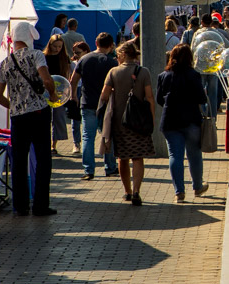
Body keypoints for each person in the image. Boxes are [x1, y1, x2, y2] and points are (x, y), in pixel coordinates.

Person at [0, 21, 58, 216]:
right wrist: (53, 95)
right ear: (29, 37)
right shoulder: (36, 55)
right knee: (43, 160)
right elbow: (47, 80)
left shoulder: (5, 63)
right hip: (38, 114)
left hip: (18, 118)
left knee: (19, 161)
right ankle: (40, 205)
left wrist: (14, 106)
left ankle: (20, 206)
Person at [99, 42, 155, 207]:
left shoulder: (113, 72)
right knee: (138, 157)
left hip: (119, 122)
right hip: (139, 121)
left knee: (122, 158)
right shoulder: (143, 71)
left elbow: (104, 95)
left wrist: (115, 93)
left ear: (123, 55)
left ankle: (127, 192)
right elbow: (149, 97)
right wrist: (151, 118)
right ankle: (137, 191)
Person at [155, 43, 209, 202]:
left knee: (175, 155)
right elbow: (201, 98)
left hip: (170, 121)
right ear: (190, 58)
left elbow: (159, 99)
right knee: (194, 155)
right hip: (191, 120)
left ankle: (179, 192)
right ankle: (198, 187)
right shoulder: (194, 75)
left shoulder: (163, 76)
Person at [72, 32, 119, 179]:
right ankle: (110, 167)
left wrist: (74, 96)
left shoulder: (84, 59)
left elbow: (73, 79)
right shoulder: (112, 62)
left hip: (87, 103)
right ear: (111, 46)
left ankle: (88, 170)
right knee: (107, 135)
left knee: (87, 137)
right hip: (105, 104)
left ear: (96, 43)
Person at [43, 34, 71, 154]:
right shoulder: (44, 57)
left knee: (58, 117)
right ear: (50, 45)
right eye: (55, 46)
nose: (57, 49)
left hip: (59, 90)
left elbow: (67, 74)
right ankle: (45, 142)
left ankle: (53, 145)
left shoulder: (64, 58)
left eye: (60, 46)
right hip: (45, 90)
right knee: (45, 118)